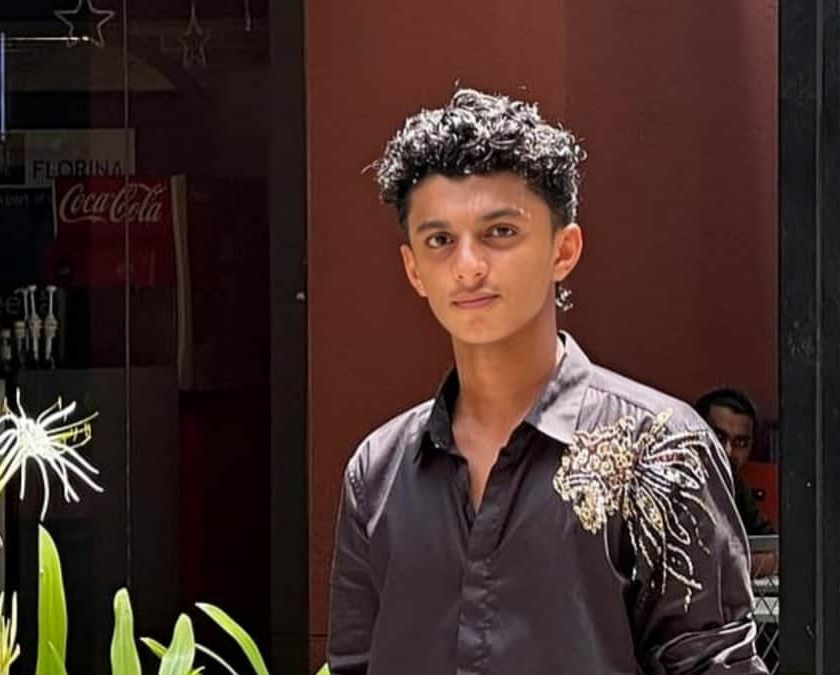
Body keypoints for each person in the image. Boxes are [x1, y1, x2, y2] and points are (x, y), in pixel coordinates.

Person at [327, 88, 767, 675]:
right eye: (439, 241)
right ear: (413, 269)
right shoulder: (377, 473)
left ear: (564, 250)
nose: (467, 265)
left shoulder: (659, 449)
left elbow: (713, 665)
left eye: (500, 232)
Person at [694, 388, 779, 578]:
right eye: (719, 437)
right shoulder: (678, 483)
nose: (728, 451)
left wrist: (736, 565)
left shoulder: (735, 483)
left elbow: (773, 547)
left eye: (741, 442)